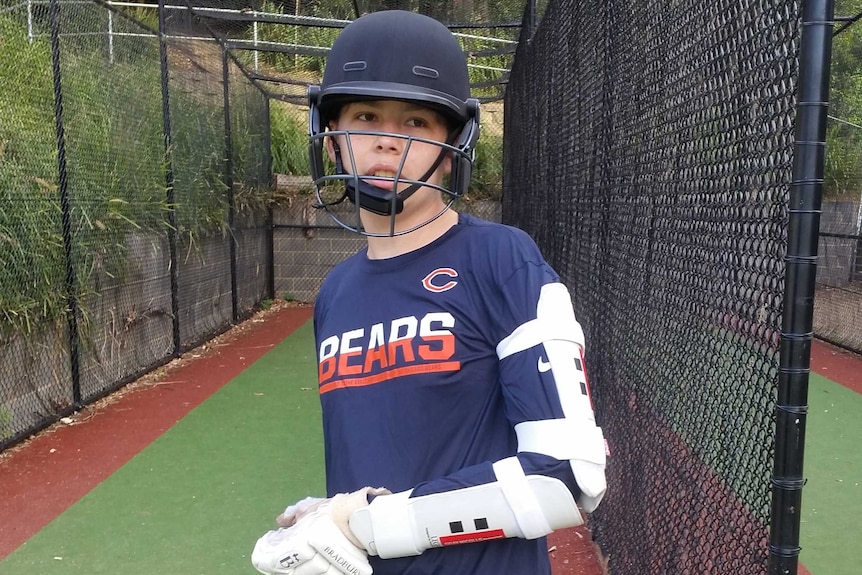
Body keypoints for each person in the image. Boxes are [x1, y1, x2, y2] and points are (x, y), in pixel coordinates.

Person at [251, 10, 607, 575]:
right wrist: (333, 516)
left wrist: (371, 523)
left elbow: (567, 473)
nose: (387, 143)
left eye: (415, 122)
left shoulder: (501, 260)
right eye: (366, 116)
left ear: (451, 144)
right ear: (334, 139)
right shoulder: (336, 293)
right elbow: (378, 475)